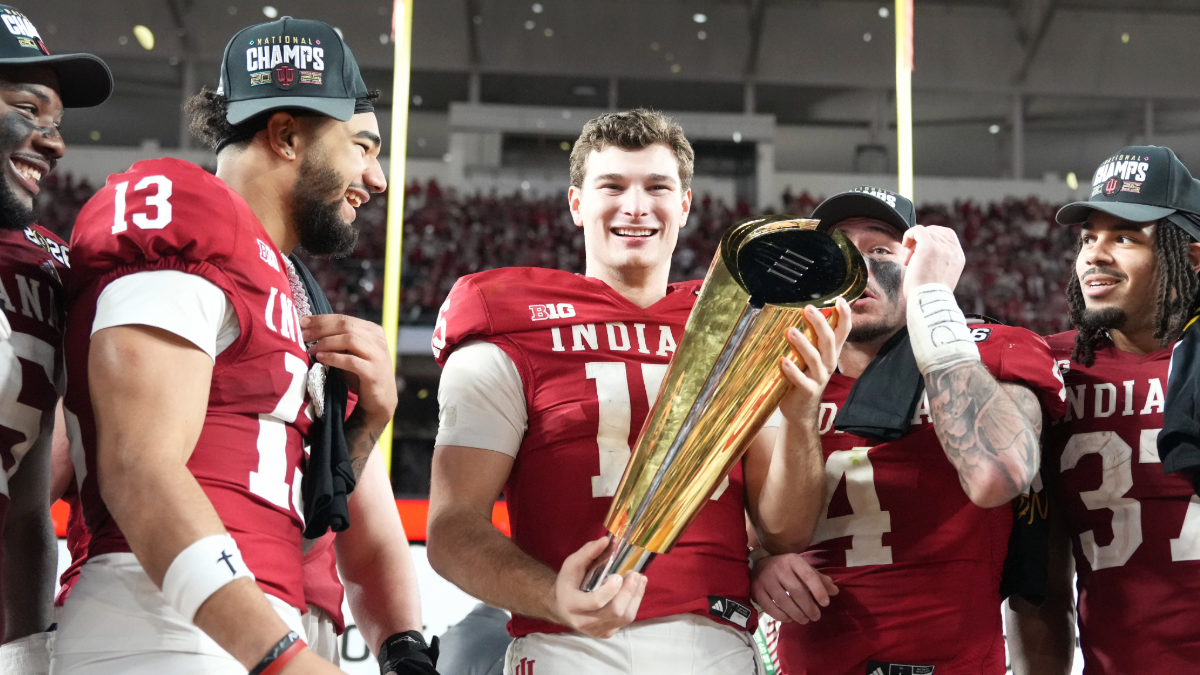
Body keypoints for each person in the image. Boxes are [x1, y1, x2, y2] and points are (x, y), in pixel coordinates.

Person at [52, 17, 433, 675]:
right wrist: (284, 658)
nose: (376, 178)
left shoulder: (285, 284)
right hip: (165, 623)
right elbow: (138, 466)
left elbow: (305, 523)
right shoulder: (183, 222)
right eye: (362, 146)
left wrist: (365, 423)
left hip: (231, 619)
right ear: (286, 135)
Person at [426, 108, 850, 674]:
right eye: (613, 186)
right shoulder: (511, 322)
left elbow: (785, 531)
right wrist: (555, 597)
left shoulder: (738, 327)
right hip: (568, 646)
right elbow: (452, 528)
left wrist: (798, 416)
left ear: (685, 204)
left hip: (714, 642)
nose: (635, 206)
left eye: (656, 187)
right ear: (577, 203)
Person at [751, 186, 1068, 674]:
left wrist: (932, 299)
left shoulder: (991, 351)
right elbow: (748, 530)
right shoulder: (775, 373)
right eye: (841, 254)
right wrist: (758, 563)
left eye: (880, 251)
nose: (859, 269)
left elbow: (998, 473)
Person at [1006, 146, 1200, 673]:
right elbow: (1040, 587)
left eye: (1125, 236)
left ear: (1191, 257)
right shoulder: (1050, 370)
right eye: (1089, 236)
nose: (1095, 253)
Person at [0, 5, 110, 673]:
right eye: (28, 109)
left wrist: (27, 653)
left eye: (56, 123)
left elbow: (27, 515)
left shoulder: (44, 269)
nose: (54, 142)